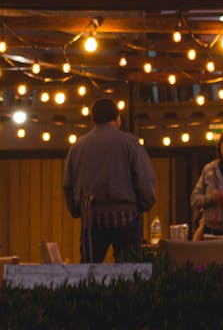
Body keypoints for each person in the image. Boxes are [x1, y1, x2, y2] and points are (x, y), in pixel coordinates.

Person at [63, 97, 156, 262]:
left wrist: (76, 210)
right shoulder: (130, 143)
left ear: (93, 119)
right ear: (117, 118)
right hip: (126, 216)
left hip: (92, 217)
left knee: (89, 274)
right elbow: (144, 179)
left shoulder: (78, 146)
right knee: (130, 273)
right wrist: (144, 205)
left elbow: (68, 184)